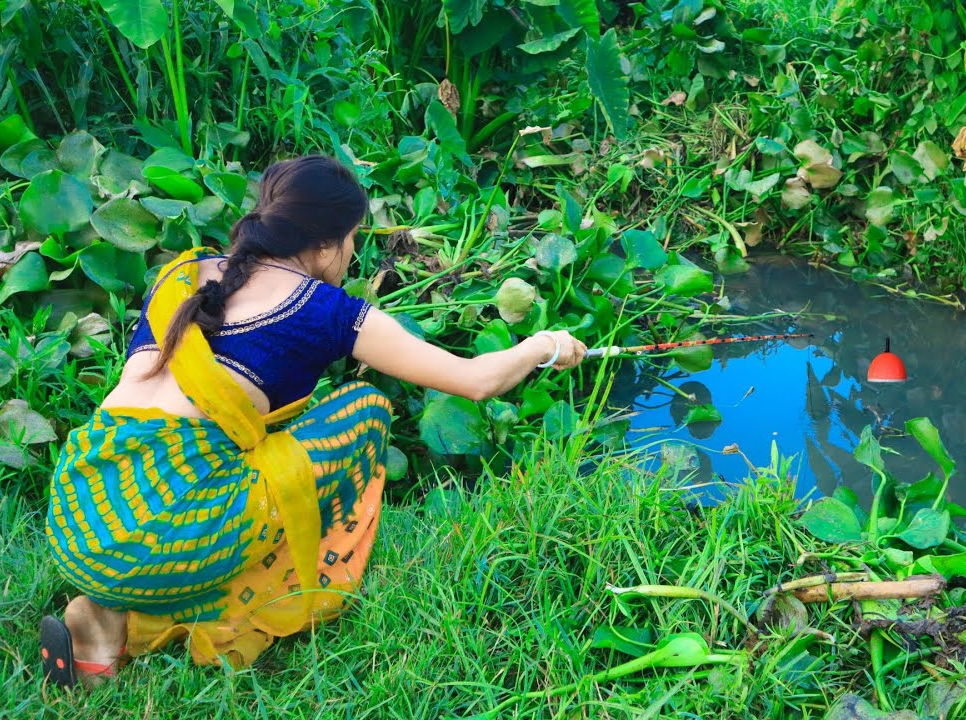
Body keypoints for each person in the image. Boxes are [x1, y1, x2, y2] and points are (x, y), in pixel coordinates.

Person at [40, 155, 587, 687]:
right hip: (163, 532)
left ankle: (107, 611)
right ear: (325, 243)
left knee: (226, 454)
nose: (352, 253)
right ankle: (186, 601)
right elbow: (475, 380)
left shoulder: (180, 276)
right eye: (353, 238)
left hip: (78, 508)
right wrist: (545, 345)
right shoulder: (324, 310)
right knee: (363, 413)